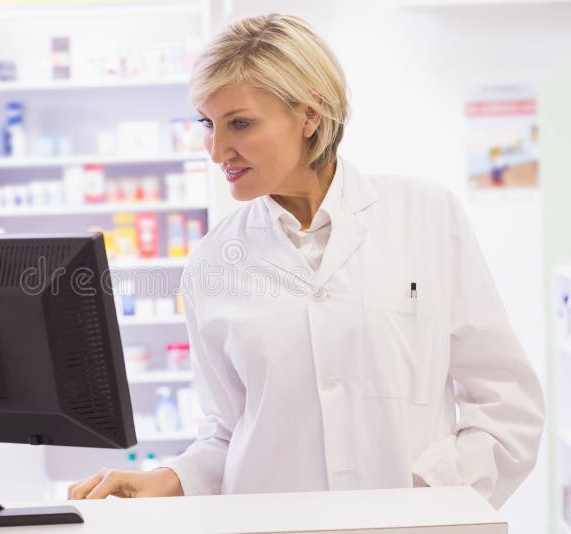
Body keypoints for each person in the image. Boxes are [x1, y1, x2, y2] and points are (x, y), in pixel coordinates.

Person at [67, 13, 544, 508]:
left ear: (311, 113)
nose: (216, 151)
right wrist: (171, 477)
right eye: (207, 124)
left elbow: (507, 402)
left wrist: (435, 494)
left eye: (240, 123)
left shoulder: (424, 214)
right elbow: (228, 432)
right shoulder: (213, 261)